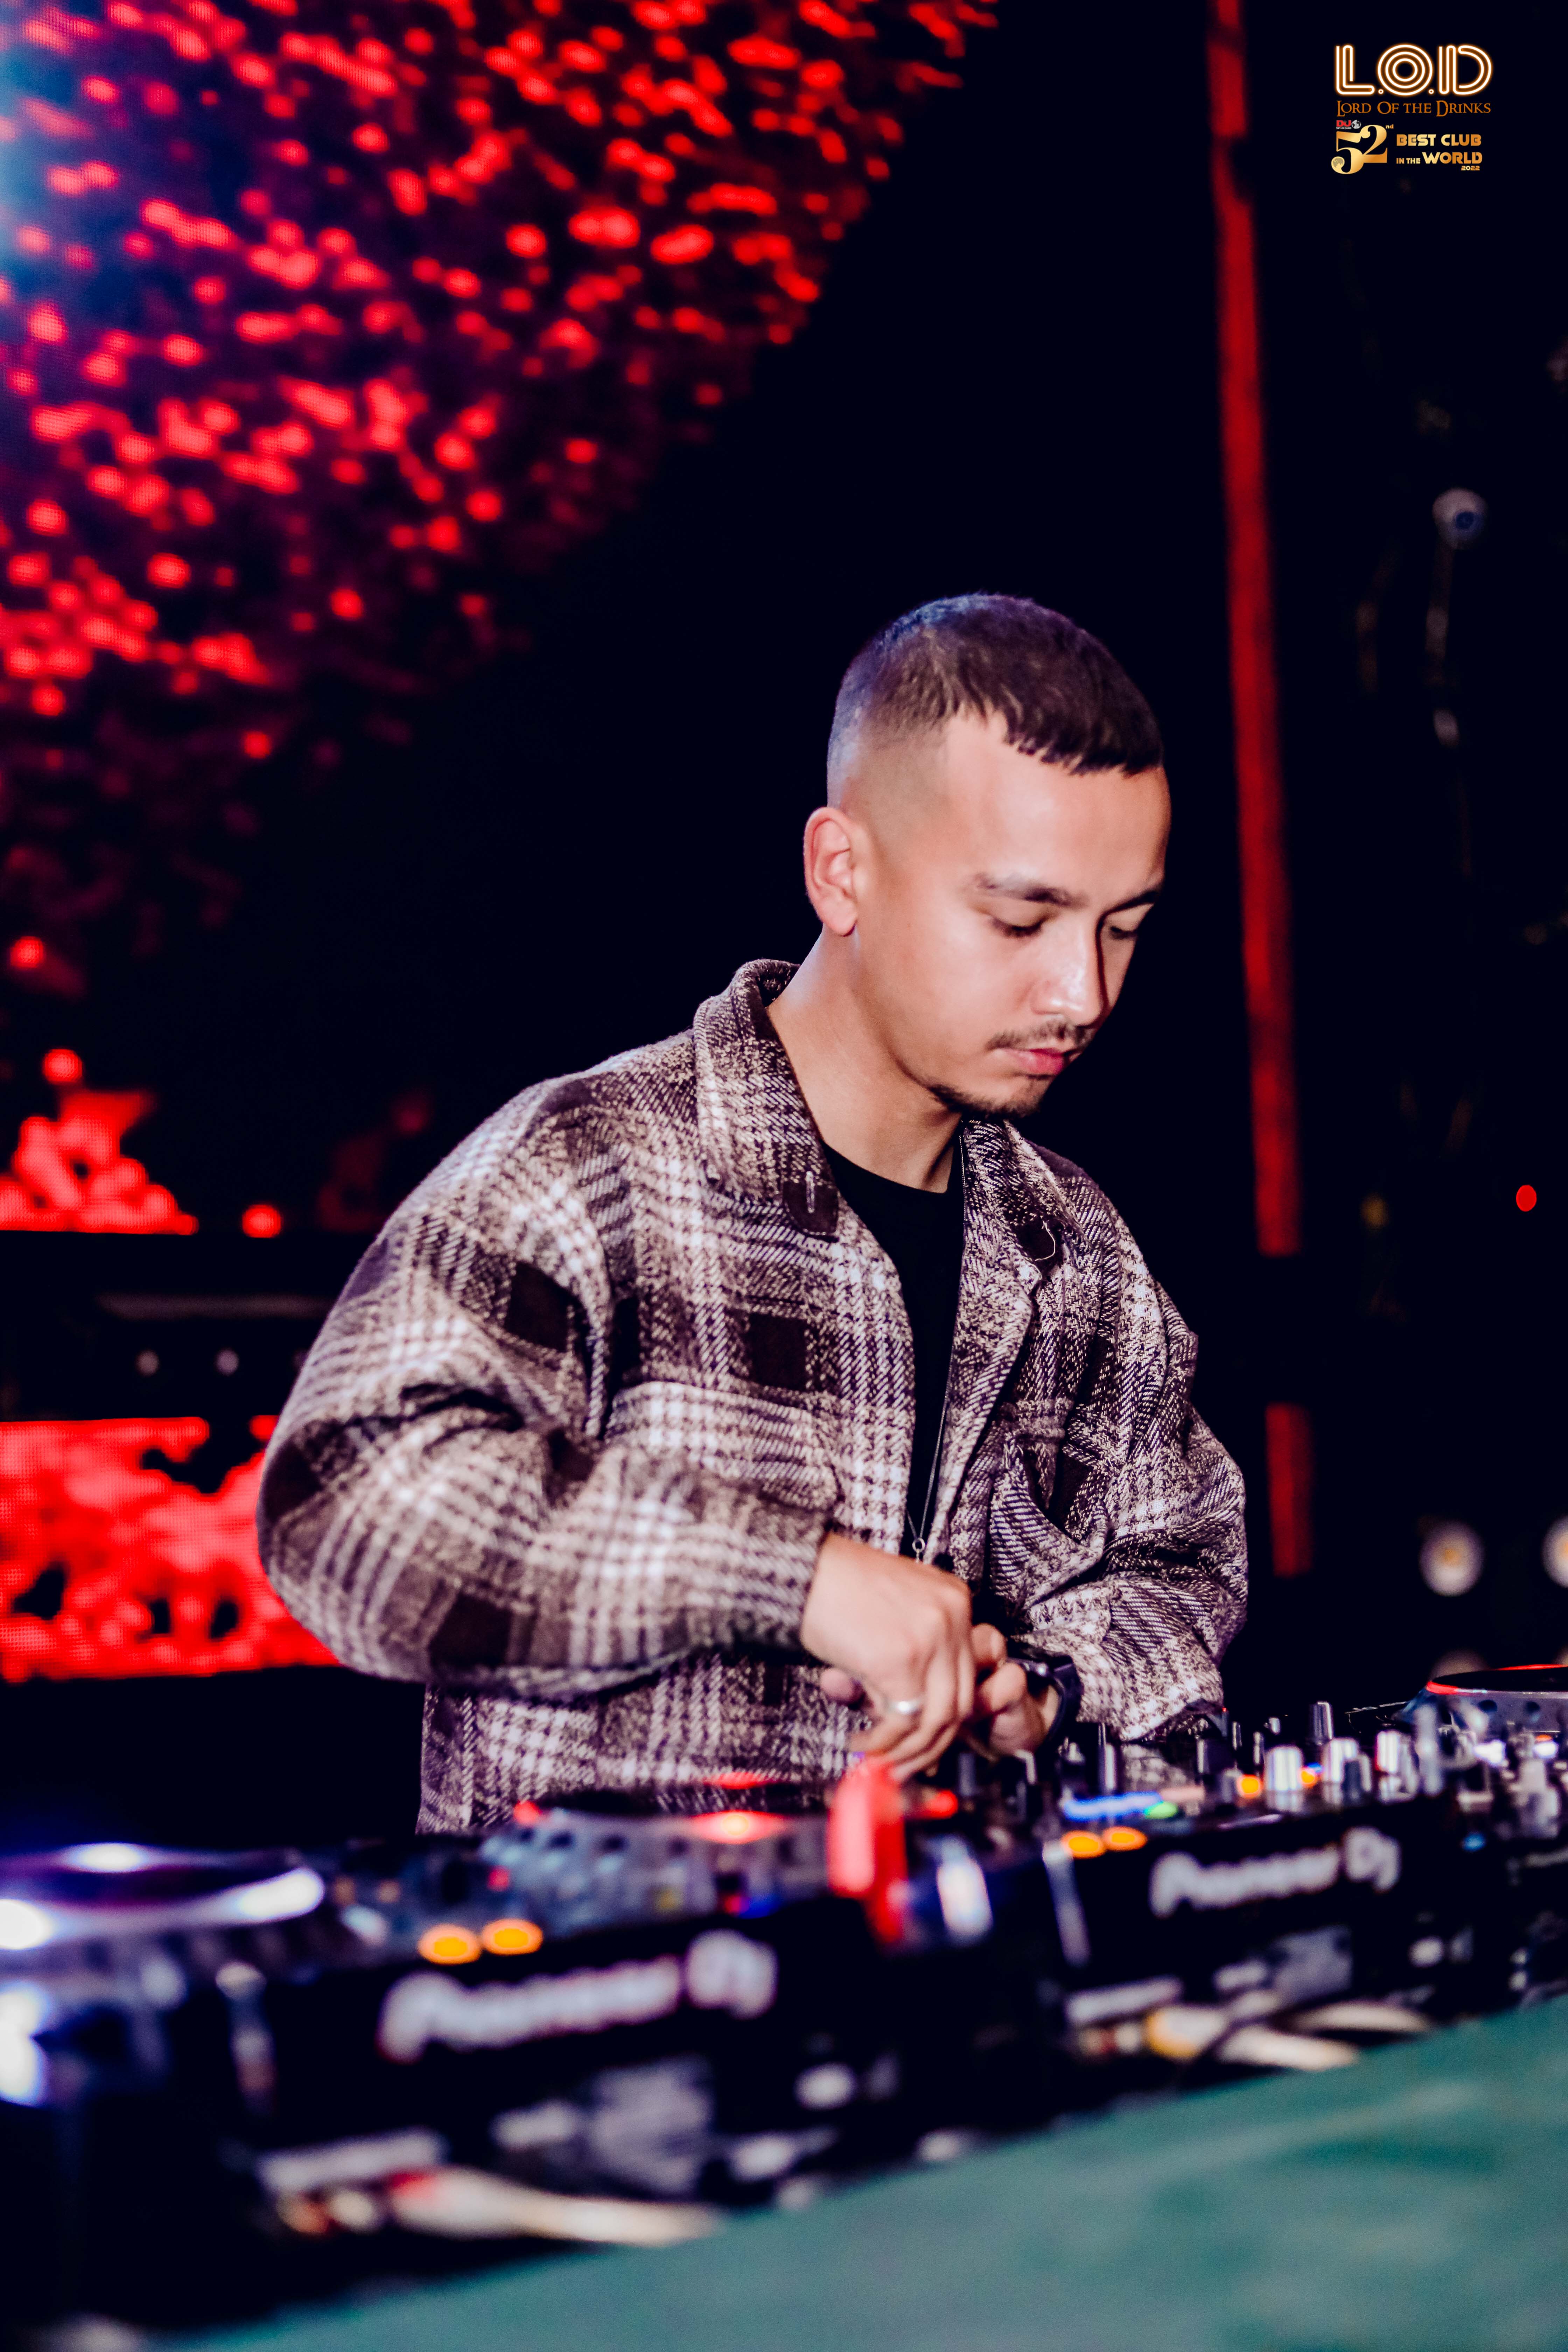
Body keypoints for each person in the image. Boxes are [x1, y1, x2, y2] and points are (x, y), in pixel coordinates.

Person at [258, 595, 1246, 1830]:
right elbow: (338, 1510)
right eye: (1019, 920)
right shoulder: (588, 1168)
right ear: (842, 871)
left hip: (963, 1951)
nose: (1082, 991)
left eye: (1124, 928)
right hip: (606, 1957)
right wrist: (795, 1576)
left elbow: (1185, 1566)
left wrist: (1046, 1690)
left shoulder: (1082, 1255)